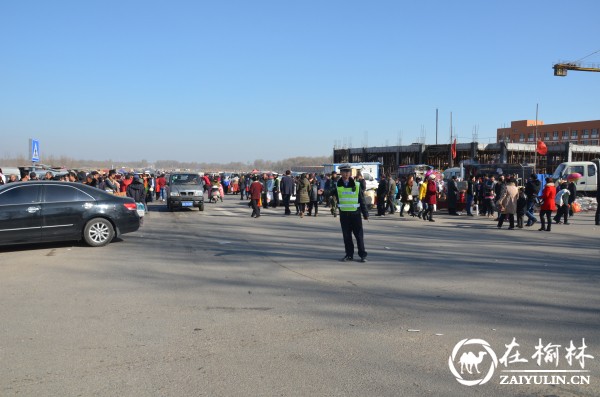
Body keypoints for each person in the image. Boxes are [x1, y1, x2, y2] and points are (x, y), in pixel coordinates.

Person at [331, 164, 369, 262]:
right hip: (344, 215)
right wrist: (322, 192)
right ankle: (349, 255)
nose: (347, 173)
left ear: (350, 173)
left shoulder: (356, 185)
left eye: (348, 171)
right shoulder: (337, 185)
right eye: (344, 171)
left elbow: (362, 200)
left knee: (359, 236)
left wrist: (365, 214)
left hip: (355, 214)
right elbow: (330, 191)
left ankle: (362, 255)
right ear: (341, 173)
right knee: (347, 236)